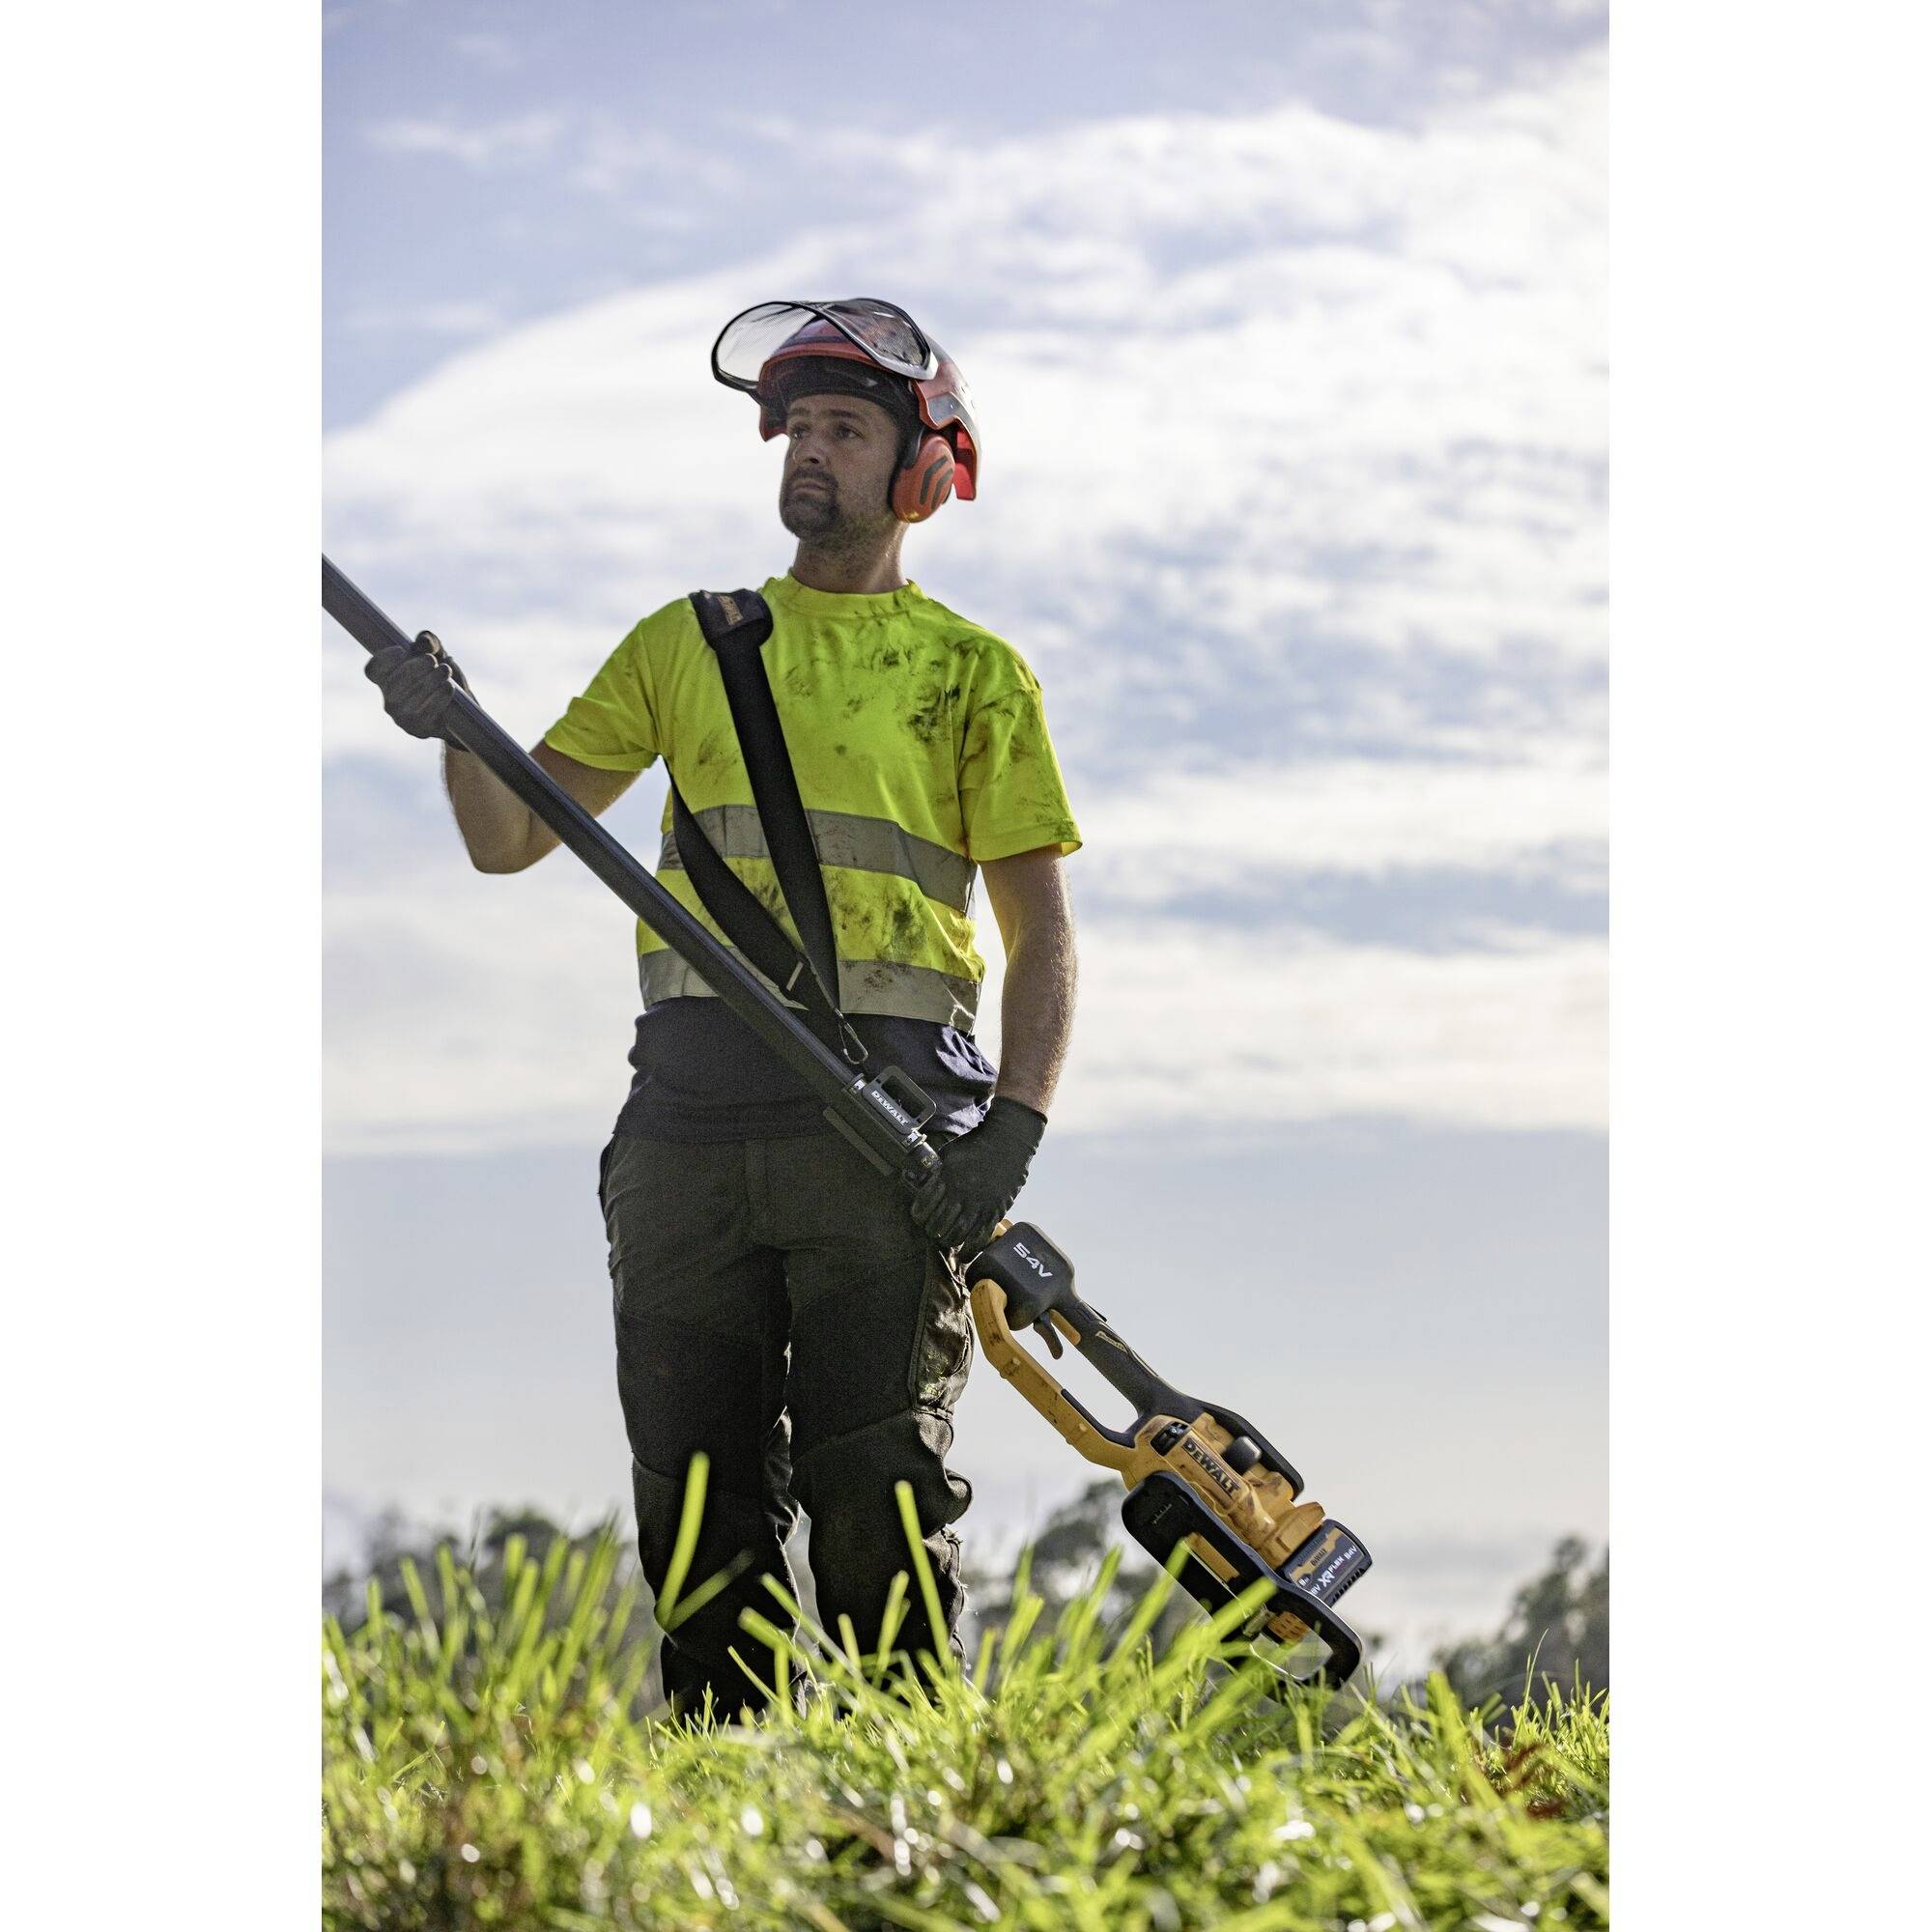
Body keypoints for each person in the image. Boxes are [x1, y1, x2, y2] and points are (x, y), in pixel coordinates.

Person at [364, 298, 1081, 1719]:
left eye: (846, 428)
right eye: (798, 427)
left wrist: (1013, 1133)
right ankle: (724, 1817)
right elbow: (510, 839)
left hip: (886, 1140)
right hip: (686, 1122)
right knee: (695, 1504)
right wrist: (453, 730)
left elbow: (1043, 937)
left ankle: (903, 1819)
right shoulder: (687, 644)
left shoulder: (971, 675)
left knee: (876, 1494)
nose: (808, 452)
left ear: (925, 469)